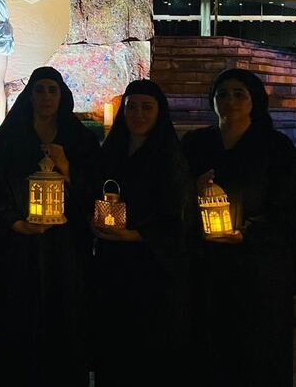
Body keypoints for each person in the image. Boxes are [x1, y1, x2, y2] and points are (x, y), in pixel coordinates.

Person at [181, 69, 296, 387]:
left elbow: (294, 205)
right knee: (209, 348)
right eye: (222, 94)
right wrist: (192, 189)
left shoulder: (275, 146)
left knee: (257, 351)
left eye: (239, 94)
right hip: (208, 265)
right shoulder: (197, 143)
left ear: (255, 100)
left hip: (259, 268)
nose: (230, 100)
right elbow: (174, 191)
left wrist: (250, 233)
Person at [0, 66, 101, 387]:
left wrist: (67, 169)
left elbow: (94, 189)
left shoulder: (79, 138)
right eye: (39, 90)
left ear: (62, 96)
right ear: (30, 96)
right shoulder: (10, 138)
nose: (46, 97)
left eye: (52, 90)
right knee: (20, 315)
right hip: (21, 244)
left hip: (66, 245)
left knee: (64, 313)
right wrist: (14, 222)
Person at [93, 79, 194, 386]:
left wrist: (139, 235)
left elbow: (176, 212)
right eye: (131, 107)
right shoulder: (111, 151)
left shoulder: (169, 156)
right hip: (112, 260)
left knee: (149, 345)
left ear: (159, 112)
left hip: (152, 265)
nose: (138, 114)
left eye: (146, 107)